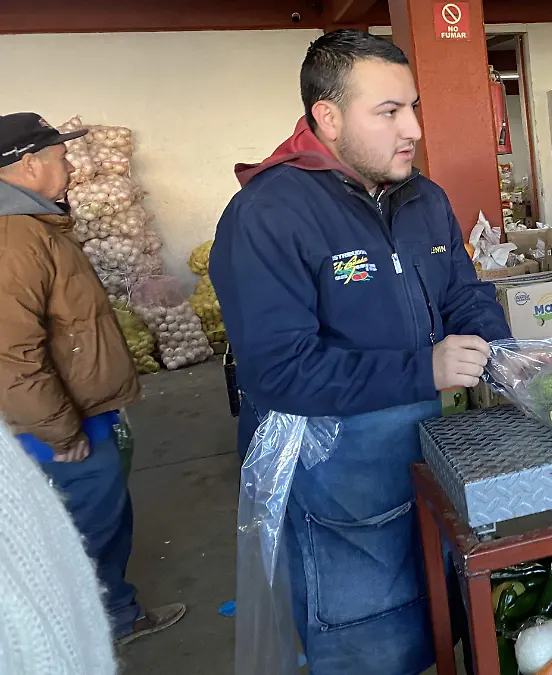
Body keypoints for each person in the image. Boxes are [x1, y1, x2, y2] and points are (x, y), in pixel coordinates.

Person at [209, 30, 511, 674]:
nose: (414, 130)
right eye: (390, 112)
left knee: (442, 607)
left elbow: (464, 293)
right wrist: (423, 368)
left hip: (433, 444)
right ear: (328, 115)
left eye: (414, 108)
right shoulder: (267, 214)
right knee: (365, 637)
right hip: (334, 470)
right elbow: (277, 371)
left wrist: (504, 352)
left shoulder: (422, 199)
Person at [0, 112, 185, 645]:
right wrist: (61, 433)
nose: (70, 168)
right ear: (27, 164)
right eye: (59, 158)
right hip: (59, 431)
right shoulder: (15, 240)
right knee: (85, 532)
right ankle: (92, 633)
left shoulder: (35, 226)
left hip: (80, 415)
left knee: (102, 520)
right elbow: (11, 356)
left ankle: (114, 617)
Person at [0, 417, 117, 674]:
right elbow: (24, 376)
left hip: (76, 426)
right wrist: (64, 435)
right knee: (95, 531)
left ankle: (121, 609)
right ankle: (119, 613)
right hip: (66, 440)